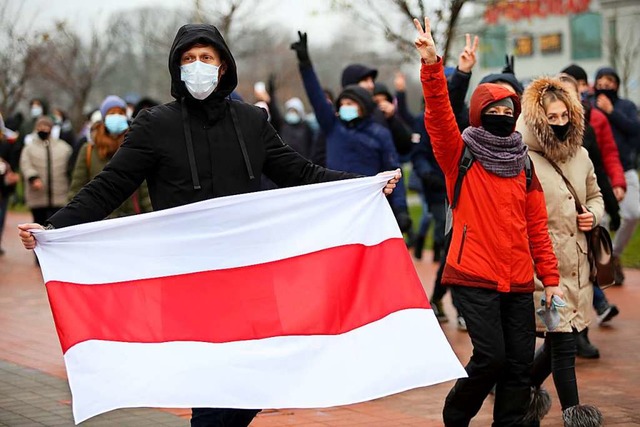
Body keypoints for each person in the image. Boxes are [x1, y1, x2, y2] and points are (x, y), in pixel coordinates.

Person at [18, 23, 401, 427]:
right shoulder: (154, 125)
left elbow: (301, 172)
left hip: (249, 274)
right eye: (187, 59)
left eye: (205, 57)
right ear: (176, 69)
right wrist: (55, 227)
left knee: (256, 379)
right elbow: (110, 185)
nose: (196, 66)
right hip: (189, 278)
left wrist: (364, 186)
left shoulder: (253, 122)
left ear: (222, 67)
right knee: (212, 386)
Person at [413, 17, 560, 426]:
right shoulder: (459, 152)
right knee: (491, 359)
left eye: (507, 110)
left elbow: (537, 229)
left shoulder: (523, 163)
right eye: (492, 109)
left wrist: (549, 281)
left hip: (517, 280)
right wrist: (431, 65)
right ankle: (456, 414)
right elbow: (439, 115)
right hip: (473, 276)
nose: (501, 114)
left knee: (517, 366)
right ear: (479, 114)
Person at [517, 75, 604, 425]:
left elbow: (596, 195)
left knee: (557, 340)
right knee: (564, 339)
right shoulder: (523, 158)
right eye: (551, 118)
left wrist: (593, 216)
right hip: (544, 264)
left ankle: (520, 396)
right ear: (538, 119)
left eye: (564, 116)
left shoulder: (581, 155)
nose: (559, 123)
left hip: (578, 264)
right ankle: (574, 414)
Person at [291, 31, 412, 236]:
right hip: (336, 206)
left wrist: (401, 210)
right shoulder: (333, 128)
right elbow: (316, 97)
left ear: (363, 106)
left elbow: (394, 172)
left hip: (368, 209)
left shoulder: (380, 134)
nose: (344, 107)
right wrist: (305, 64)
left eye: (350, 103)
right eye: (342, 104)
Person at [592, 67, 640, 285]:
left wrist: (612, 111)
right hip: (598, 173)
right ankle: (606, 262)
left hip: (625, 168)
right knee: (601, 220)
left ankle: (616, 253)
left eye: (609, 80)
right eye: (600, 80)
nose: (604, 84)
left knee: (632, 214)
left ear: (617, 84)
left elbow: (635, 130)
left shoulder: (626, 106)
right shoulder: (591, 107)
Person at [68, 95, 152, 219]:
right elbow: (77, 187)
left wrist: (152, 215)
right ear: (104, 118)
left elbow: (145, 190)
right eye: (112, 113)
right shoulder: (89, 150)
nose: (117, 116)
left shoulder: (134, 145)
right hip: (100, 221)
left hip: (132, 219)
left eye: (121, 113)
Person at [19, 116, 72, 227]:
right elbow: (25, 165)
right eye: (40, 126)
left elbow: (71, 168)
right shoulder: (29, 148)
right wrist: (33, 178)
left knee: (57, 226)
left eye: (46, 126)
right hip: (37, 195)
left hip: (59, 195)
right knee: (38, 226)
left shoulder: (64, 148)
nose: (43, 129)